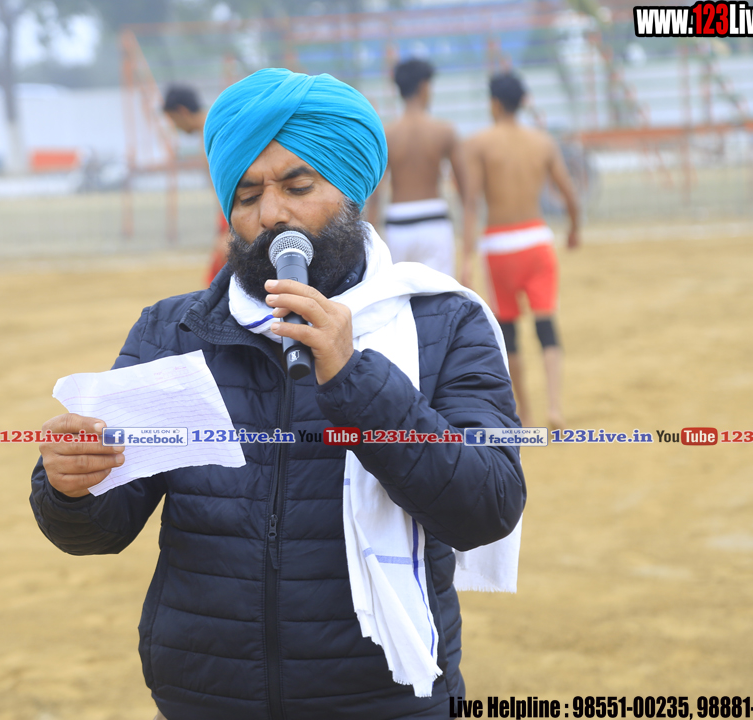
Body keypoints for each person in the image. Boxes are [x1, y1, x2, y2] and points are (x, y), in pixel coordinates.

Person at [31, 68, 525, 720]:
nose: (271, 215)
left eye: (298, 187)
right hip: (206, 701)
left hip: (385, 704)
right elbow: (101, 527)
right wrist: (68, 488)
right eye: (247, 195)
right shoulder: (174, 331)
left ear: (351, 190)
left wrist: (354, 378)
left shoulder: (445, 322)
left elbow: (487, 507)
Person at [464, 70, 581, 430]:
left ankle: (525, 415)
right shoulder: (543, 142)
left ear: (494, 103)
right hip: (536, 240)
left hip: (499, 246)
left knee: (509, 331)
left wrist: (466, 257)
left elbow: (471, 204)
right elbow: (569, 194)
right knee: (547, 325)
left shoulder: (478, 143)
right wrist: (574, 229)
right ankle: (555, 407)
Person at [369, 58, 472, 278]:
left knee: (401, 293)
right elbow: (466, 194)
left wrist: (369, 247)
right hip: (434, 221)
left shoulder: (387, 135)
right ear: (424, 87)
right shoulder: (444, 132)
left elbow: (375, 194)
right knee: (440, 295)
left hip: (398, 223)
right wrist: (468, 255)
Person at [162, 84, 230, 286]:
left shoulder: (216, 132)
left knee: (217, 280)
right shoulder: (210, 131)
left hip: (232, 214)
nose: (174, 126)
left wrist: (230, 229)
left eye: (173, 119)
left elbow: (232, 184)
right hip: (227, 215)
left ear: (182, 112)